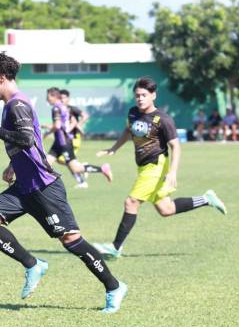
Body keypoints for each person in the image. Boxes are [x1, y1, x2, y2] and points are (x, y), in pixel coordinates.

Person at [0, 52, 127, 313]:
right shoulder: (14, 104)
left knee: (72, 241)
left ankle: (114, 287)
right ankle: (33, 264)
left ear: (1, 78)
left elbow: (25, 139)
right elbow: (30, 141)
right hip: (25, 186)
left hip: (44, 187)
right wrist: (14, 164)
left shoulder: (16, 105)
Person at [92, 77, 227, 259]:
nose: (140, 99)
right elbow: (128, 131)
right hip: (143, 167)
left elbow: (176, 147)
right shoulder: (133, 113)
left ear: (153, 95)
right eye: (137, 95)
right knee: (166, 209)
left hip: (156, 166)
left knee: (131, 202)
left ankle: (116, 247)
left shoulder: (163, 119)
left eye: (144, 95)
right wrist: (113, 149)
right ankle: (206, 199)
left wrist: (173, 171)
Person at [45, 87, 112, 188]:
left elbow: (58, 125)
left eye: (48, 96)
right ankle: (43, 187)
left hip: (64, 143)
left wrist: (47, 133)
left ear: (54, 96)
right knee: (45, 165)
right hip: (60, 142)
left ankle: (102, 169)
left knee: (75, 168)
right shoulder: (64, 107)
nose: (47, 99)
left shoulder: (56, 108)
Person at [60, 89, 89, 183]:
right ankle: (82, 173)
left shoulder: (72, 109)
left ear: (68, 98)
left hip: (74, 138)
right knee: (65, 161)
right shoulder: (60, 109)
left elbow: (85, 115)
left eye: (63, 98)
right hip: (66, 138)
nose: (62, 100)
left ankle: (84, 168)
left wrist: (79, 125)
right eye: (60, 98)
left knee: (63, 159)